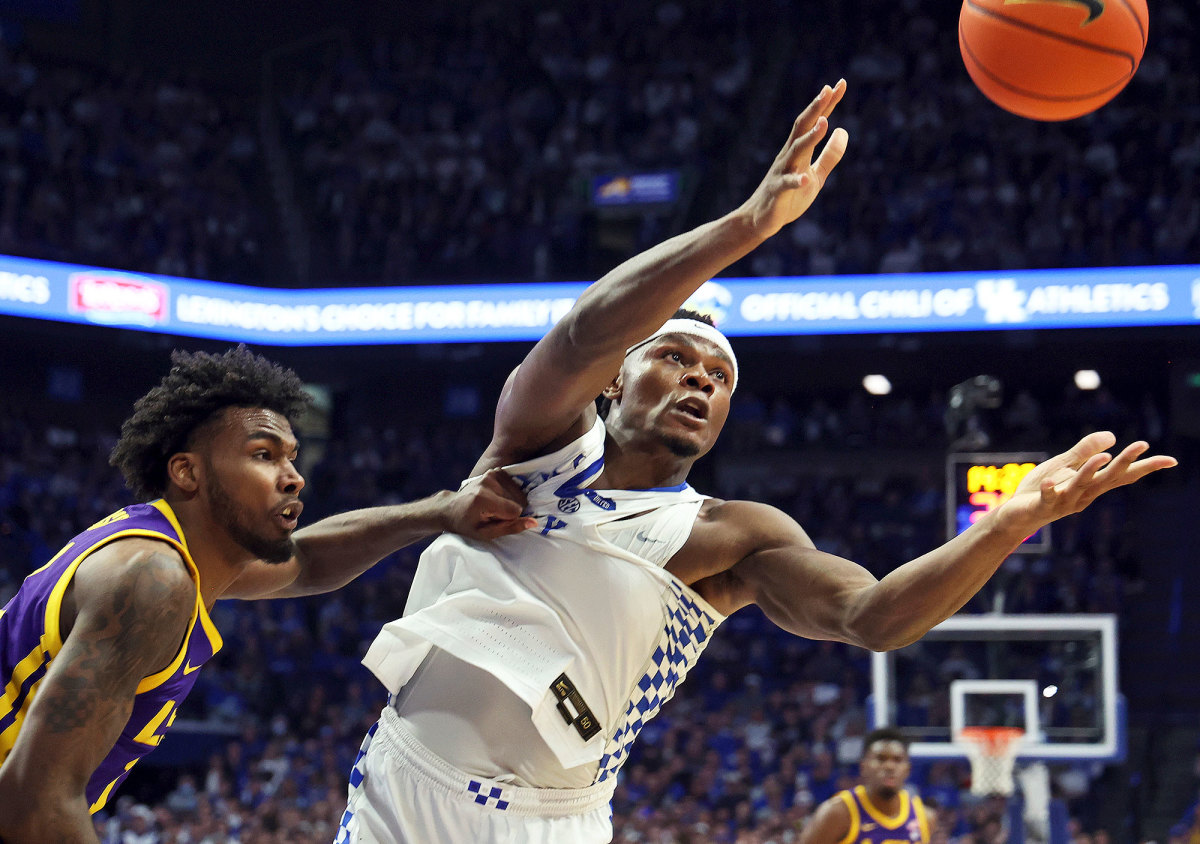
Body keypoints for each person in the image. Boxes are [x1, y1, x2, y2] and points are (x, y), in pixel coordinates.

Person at [335, 80, 1176, 843]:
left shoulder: (728, 536)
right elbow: (584, 332)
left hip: (544, 823)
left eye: (720, 377)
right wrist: (747, 228)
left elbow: (875, 618)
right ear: (617, 378)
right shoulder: (537, 447)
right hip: (402, 781)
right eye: (674, 359)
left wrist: (1010, 523)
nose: (700, 380)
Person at [0, 346, 534, 844]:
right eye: (264, 454)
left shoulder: (176, 555)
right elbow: (34, 805)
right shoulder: (152, 580)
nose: (294, 478)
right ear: (188, 472)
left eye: (292, 457)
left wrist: (440, 510)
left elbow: (309, 562)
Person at [797, 727, 933, 844]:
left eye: (897, 760)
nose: (889, 766)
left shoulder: (925, 818)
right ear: (863, 767)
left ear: (907, 769)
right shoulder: (837, 813)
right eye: (881, 759)